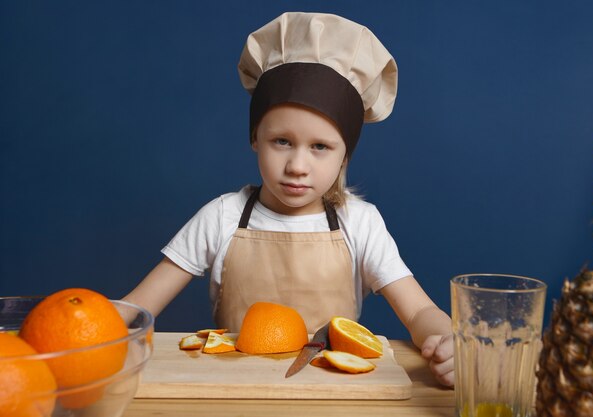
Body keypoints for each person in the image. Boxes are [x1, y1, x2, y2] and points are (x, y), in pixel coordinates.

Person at [123, 12, 454, 387]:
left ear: (345, 155)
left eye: (320, 147)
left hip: (333, 397)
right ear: (254, 138)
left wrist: (446, 341)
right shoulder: (221, 217)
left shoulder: (359, 222)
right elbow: (136, 308)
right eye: (282, 141)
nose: (297, 165)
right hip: (234, 393)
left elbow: (421, 311)